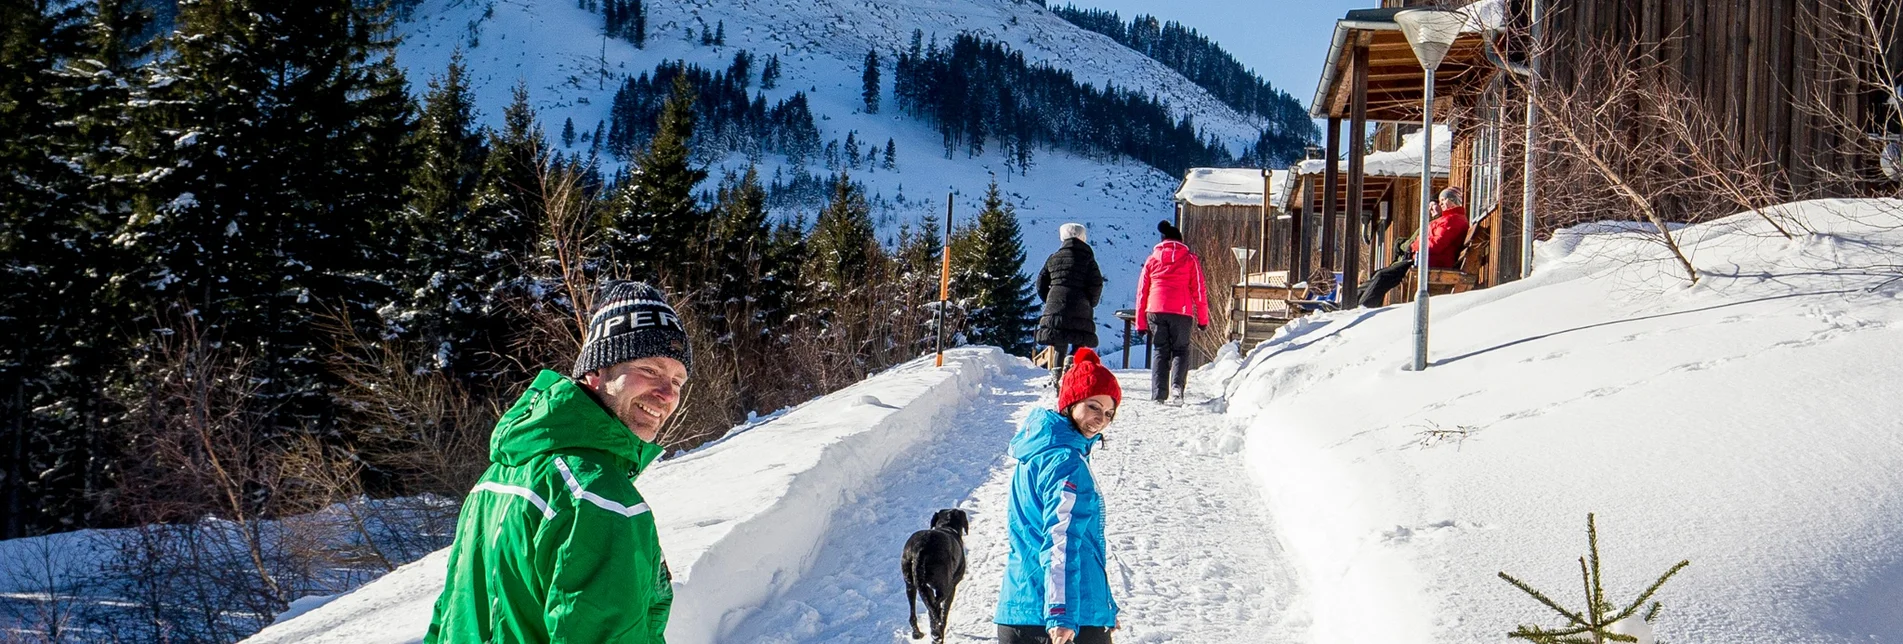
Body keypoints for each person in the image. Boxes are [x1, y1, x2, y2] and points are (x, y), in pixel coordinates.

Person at [426, 281, 691, 644]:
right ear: (596, 372)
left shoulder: (498, 476)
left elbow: (449, 616)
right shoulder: (598, 497)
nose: (667, 394)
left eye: (678, 381)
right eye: (650, 369)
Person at [995, 347, 1122, 644]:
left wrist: (1104, 606)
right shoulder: (1064, 461)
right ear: (1071, 401)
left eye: (1108, 413)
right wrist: (1061, 613)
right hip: (1056, 620)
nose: (1101, 419)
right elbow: (1060, 540)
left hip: (1024, 608)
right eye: (1093, 407)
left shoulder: (1041, 449)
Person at [1356, 187, 1470, 309]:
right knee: (1380, 274)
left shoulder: (1453, 220)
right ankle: (1354, 302)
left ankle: (1364, 306)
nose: (1440, 203)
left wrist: (1414, 245)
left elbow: (1436, 244)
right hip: (1425, 259)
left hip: (1433, 262)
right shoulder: (1448, 219)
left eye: (1443, 200)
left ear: (1451, 200)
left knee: (1383, 276)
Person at [1133, 221, 1208, 403]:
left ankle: (1158, 394)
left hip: (1155, 310)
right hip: (1182, 311)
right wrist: (1203, 318)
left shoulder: (1152, 259)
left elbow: (1142, 292)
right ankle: (1176, 388)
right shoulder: (1190, 259)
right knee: (1180, 350)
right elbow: (1199, 290)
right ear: (1180, 241)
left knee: (1160, 350)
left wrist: (1140, 323)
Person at [1035, 223, 1105, 386]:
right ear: (1083, 237)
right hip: (1081, 304)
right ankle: (1071, 364)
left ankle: (1056, 374)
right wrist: (1090, 302)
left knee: (1060, 341)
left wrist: (1049, 300)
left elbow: (1040, 282)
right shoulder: (1088, 259)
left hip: (1056, 303)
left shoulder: (1053, 257)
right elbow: (1097, 283)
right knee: (1078, 338)